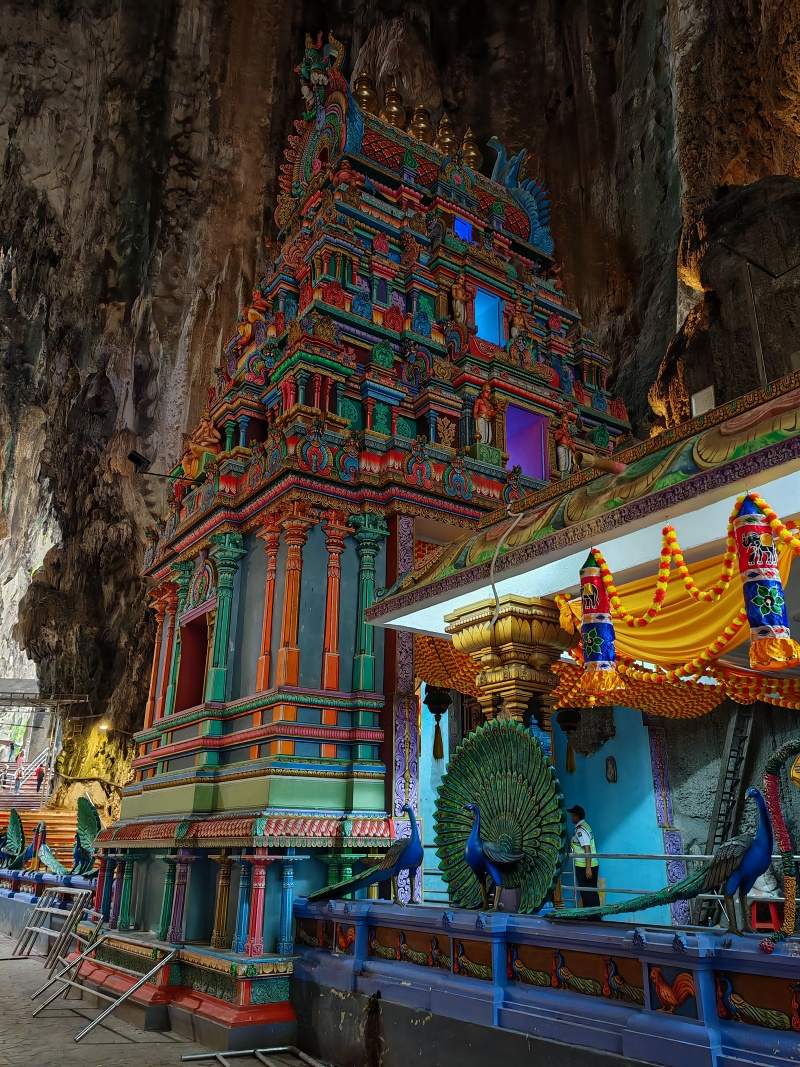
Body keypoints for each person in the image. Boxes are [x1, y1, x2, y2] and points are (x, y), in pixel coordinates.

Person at [568, 804, 599, 907]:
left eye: (572, 815)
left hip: (584, 866)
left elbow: (587, 848)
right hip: (589, 864)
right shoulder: (585, 826)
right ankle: (595, 918)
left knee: (587, 894)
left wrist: (588, 868)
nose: (571, 817)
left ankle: (592, 919)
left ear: (577, 816)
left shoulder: (581, 830)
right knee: (591, 893)